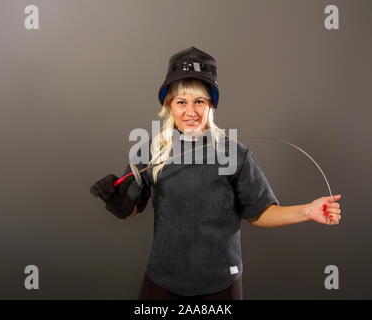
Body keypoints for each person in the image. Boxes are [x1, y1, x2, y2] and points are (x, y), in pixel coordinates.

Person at [90, 47, 342, 300]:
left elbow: (260, 213)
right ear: (169, 105)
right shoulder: (152, 150)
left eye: (199, 101)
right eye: (181, 102)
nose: (191, 112)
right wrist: (117, 203)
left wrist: (307, 211)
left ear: (211, 104)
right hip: (163, 279)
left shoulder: (235, 154)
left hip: (220, 283)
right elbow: (131, 209)